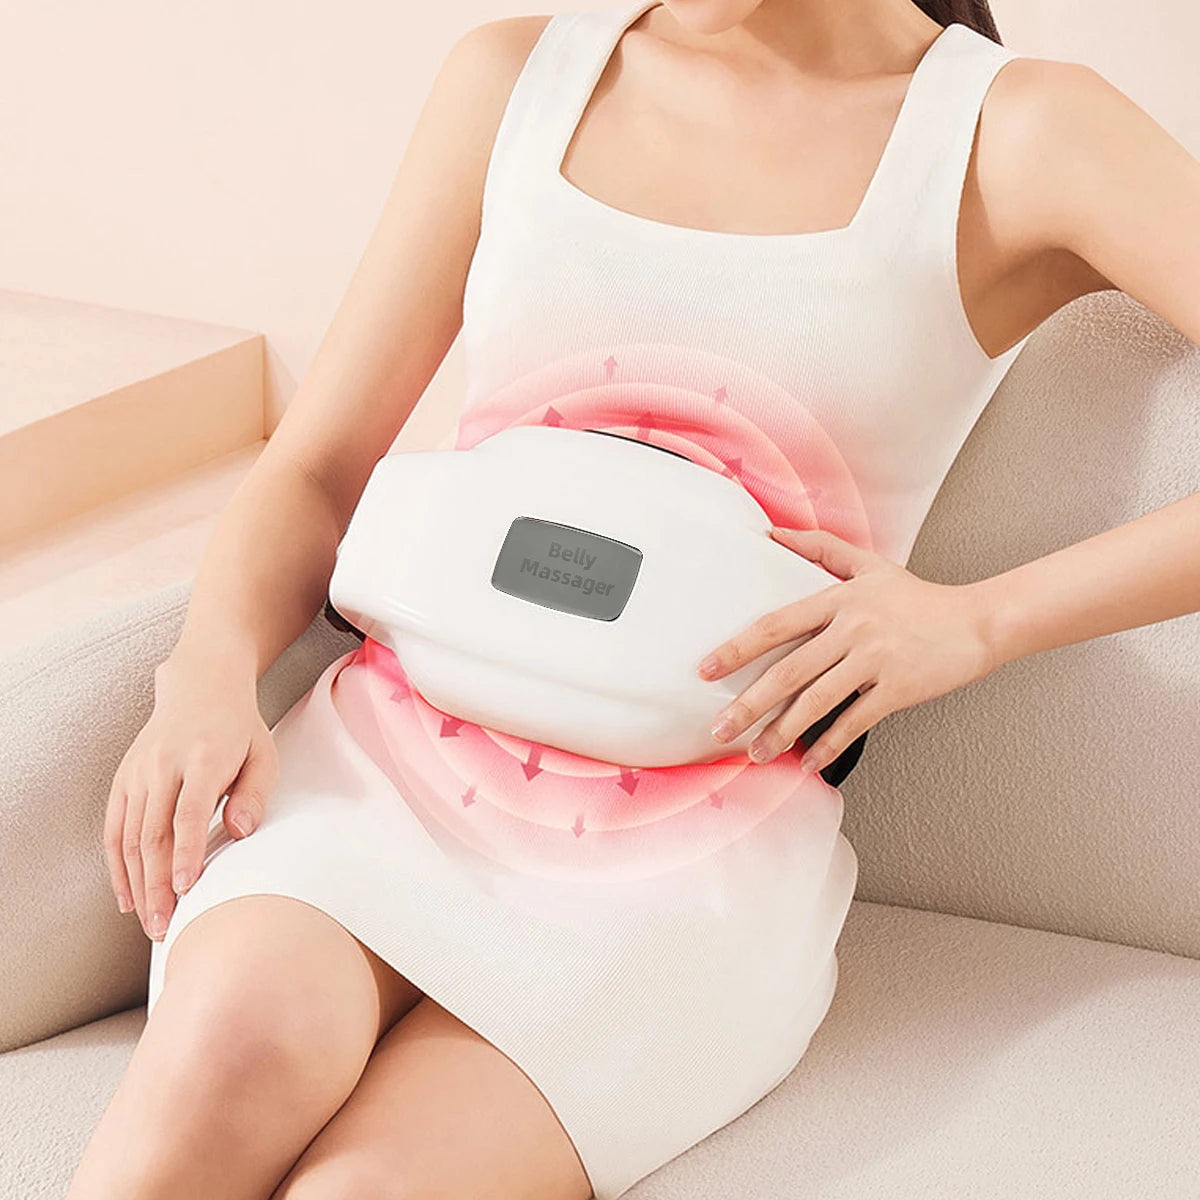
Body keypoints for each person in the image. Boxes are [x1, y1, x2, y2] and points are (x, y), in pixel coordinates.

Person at [68, 1, 1200, 1197]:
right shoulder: (516, 79)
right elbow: (314, 469)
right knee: (231, 1055)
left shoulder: (1015, 134)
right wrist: (206, 673)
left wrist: (980, 620)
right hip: (379, 774)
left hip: (690, 860)